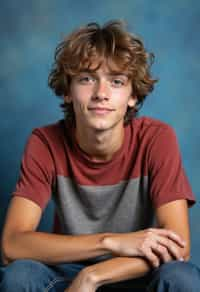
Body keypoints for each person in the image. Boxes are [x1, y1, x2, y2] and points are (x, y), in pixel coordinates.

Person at [0, 20, 200, 292]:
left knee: (181, 276)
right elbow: (12, 245)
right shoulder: (45, 142)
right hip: (67, 270)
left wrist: (93, 276)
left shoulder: (157, 138)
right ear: (69, 91)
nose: (101, 94)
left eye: (116, 81)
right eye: (86, 79)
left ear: (132, 96)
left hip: (137, 269)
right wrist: (109, 241)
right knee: (19, 275)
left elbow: (179, 247)